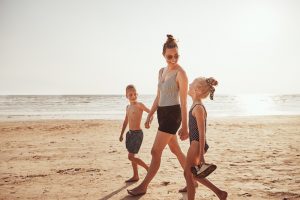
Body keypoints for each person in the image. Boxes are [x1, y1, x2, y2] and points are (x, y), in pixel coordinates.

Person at [127, 34, 189, 196]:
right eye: (169, 56)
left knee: (155, 151)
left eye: (176, 55)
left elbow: (183, 102)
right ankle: (192, 180)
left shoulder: (181, 74)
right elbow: (158, 96)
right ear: (163, 55)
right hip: (162, 113)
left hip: (173, 116)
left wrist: (185, 126)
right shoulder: (161, 71)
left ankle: (144, 186)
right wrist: (150, 114)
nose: (173, 59)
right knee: (175, 149)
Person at [184, 77, 227, 200]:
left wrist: (202, 154)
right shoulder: (195, 105)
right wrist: (188, 133)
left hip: (197, 144)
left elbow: (202, 133)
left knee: (188, 174)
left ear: (197, 90)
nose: (189, 84)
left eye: (191, 84)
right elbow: (195, 128)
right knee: (194, 175)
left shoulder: (198, 107)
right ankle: (220, 193)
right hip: (195, 143)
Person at [119, 84, 151, 182]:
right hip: (130, 134)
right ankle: (135, 175)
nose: (133, 96)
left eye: (134, 94)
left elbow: (150, 112)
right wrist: (121, 134)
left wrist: (148, 122)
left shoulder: (139, 105)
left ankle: (148, 169)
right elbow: (126, 121)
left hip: (137, 133)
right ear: (126, 96)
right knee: (132, 156)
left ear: (137, 94)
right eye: (130, 95)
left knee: (131, 156)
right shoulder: (128, 107)